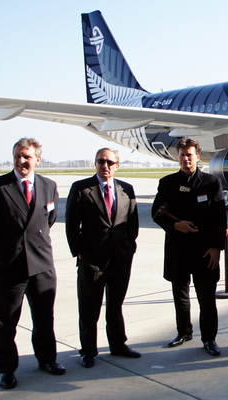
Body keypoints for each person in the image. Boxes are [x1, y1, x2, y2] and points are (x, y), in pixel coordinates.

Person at [0, 138, 65, 389]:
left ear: (38, 159)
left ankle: (47, 360)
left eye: (26, 156)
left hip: (42, 266)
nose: (21, 161)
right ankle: (6, 369)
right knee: (5, 322)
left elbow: (49, 220)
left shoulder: (49, 185)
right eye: (17, 156)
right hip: (7, 268)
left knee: (44, 318)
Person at [65, 148, 141, 368]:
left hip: (120, 259)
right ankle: (88, 350)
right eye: (101, 161)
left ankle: (118, 344)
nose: (105, 166)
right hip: (92, 261)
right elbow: (71, 226)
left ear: (117, 165)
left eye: (110, 162)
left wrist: (128, 249)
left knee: (115, 306)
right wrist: (80, 253)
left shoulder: (127, 189)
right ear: (95, 164)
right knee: (89, 308)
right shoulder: (81, 189)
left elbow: (132, 224)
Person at [152, 138, 227, 356]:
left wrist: (216, 248)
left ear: (197, 156)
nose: (186, 158)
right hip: (178, 250)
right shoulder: (167, 183)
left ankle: (209, 338)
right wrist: (176, 225)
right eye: (182, 154)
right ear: (178, 157)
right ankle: (184, 331)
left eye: (190, 154)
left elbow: (219, 219)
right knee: (180, 295)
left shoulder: (212, 183)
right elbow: (156, 213)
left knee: (206, 298)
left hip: (205, 252)